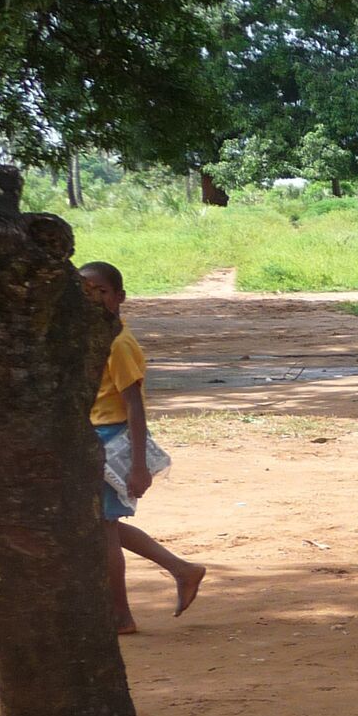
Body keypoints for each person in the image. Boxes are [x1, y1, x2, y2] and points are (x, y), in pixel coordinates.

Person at [78, 262, 205, 633]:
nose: (93, 299)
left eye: (101, 291)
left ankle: (120, 616)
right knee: (102, 522)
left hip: (109, 440)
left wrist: (138, 465)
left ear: (119, 297)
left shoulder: (118, 343)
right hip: (91, 437)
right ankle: (182, 569)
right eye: (84, 292)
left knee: (102, 528)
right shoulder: (90, 338)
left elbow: (134, 403)